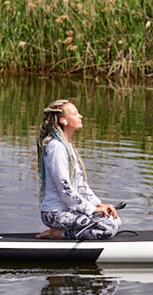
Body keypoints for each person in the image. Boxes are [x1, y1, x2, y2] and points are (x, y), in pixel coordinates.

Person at [35, 99, 121, 240]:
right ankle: (59, 234)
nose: (80, 116)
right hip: (55, 214)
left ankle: (64, 232)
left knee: (114, 219)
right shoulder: (56, 147)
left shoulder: (67, 146)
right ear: (64, 121)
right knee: (107, 228)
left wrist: (99, 205)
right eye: (75, 113)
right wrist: (92, 210)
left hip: (71, 210)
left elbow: (80, 185)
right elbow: (65, 189)